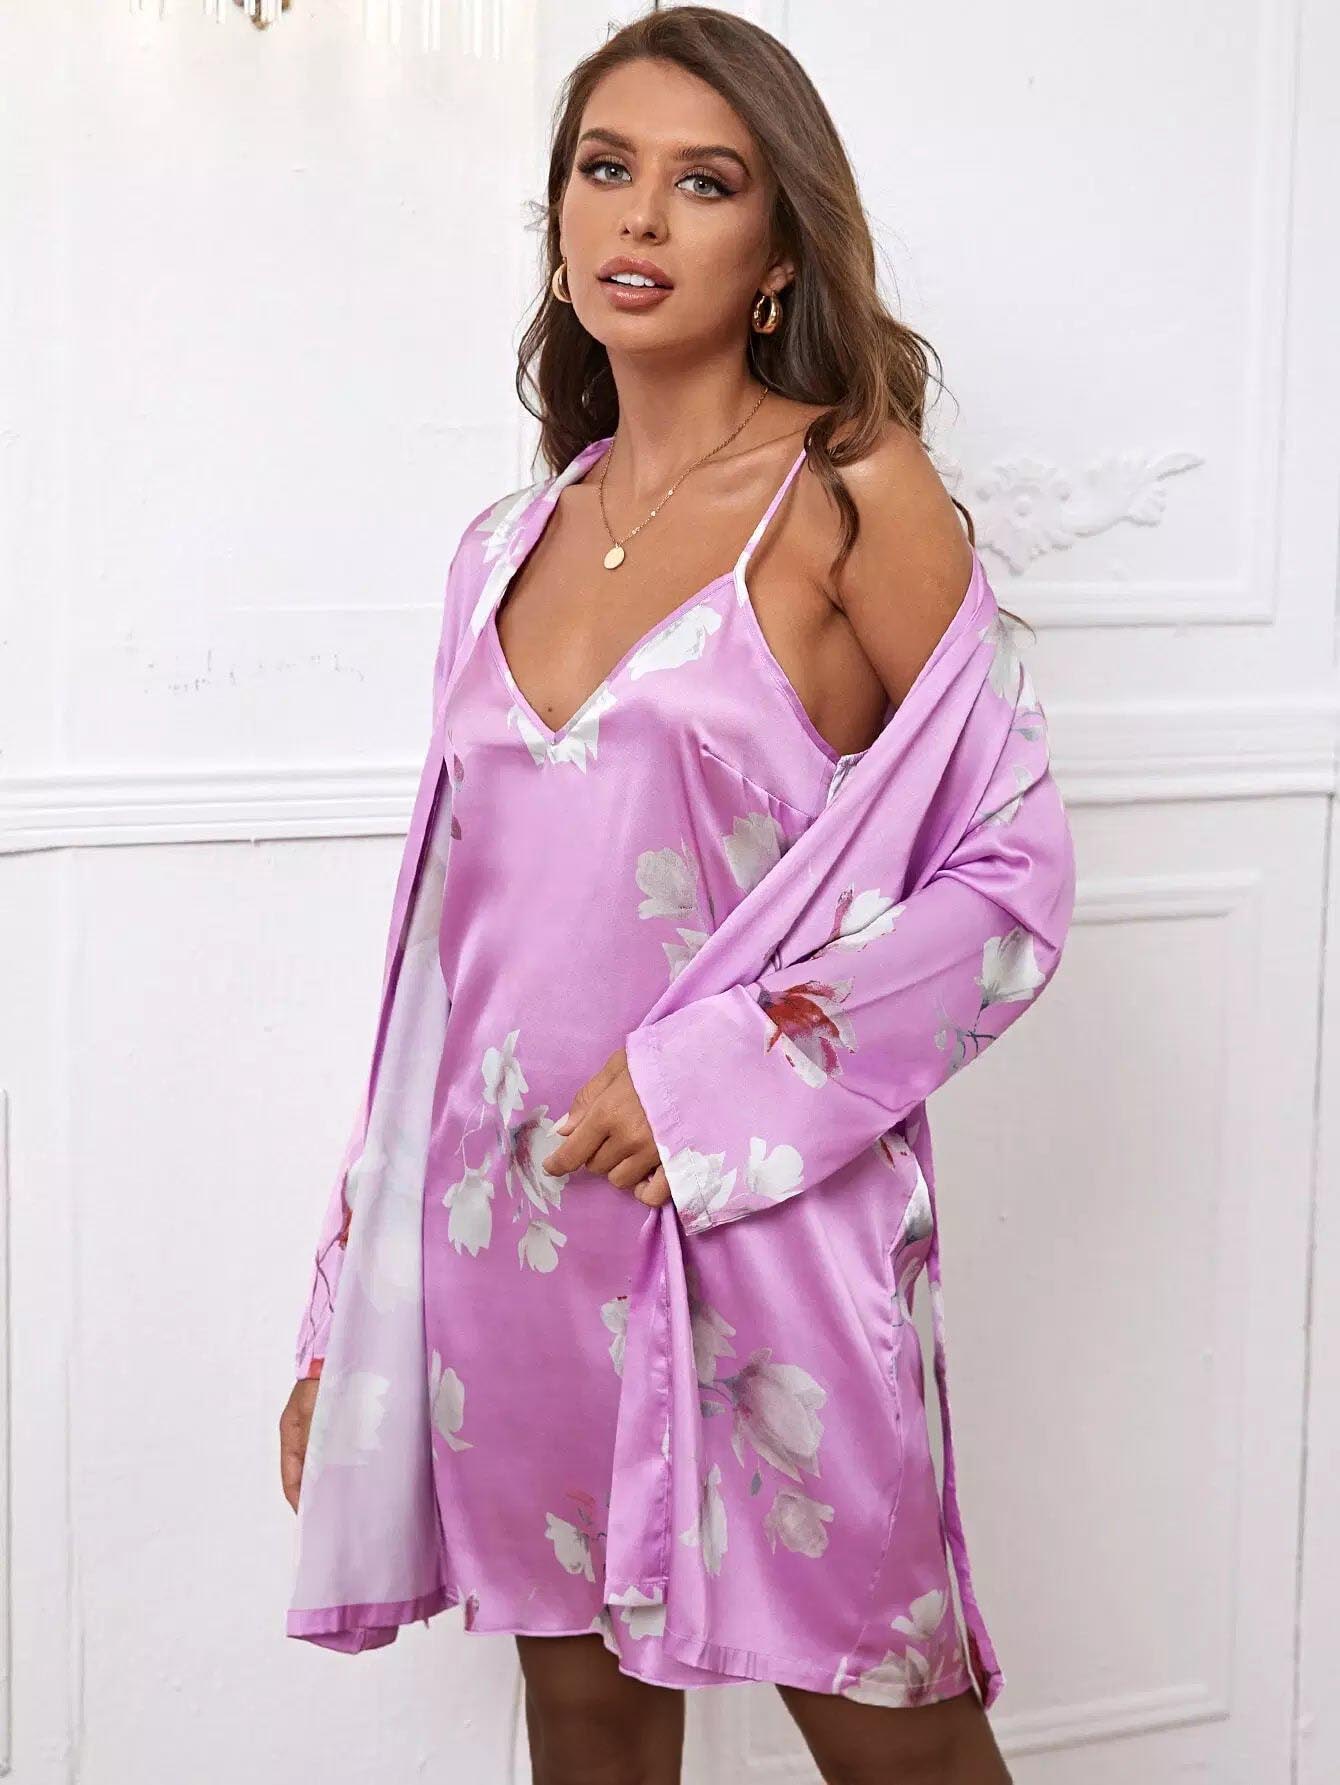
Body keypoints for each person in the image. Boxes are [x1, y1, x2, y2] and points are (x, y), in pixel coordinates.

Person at [279, 9, 1055, 1781]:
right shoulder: (500, 548)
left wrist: (711, 1077)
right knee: (587, 1731)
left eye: (704, 183)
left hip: (768, 1224)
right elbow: (438, 972)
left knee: (902, 1739)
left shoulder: (853, 498)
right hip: (514, 1232)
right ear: (559, 218)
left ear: (779, 251)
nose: (638, 215)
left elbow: (1012, 881)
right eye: (604, 168)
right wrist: (345, 1316)